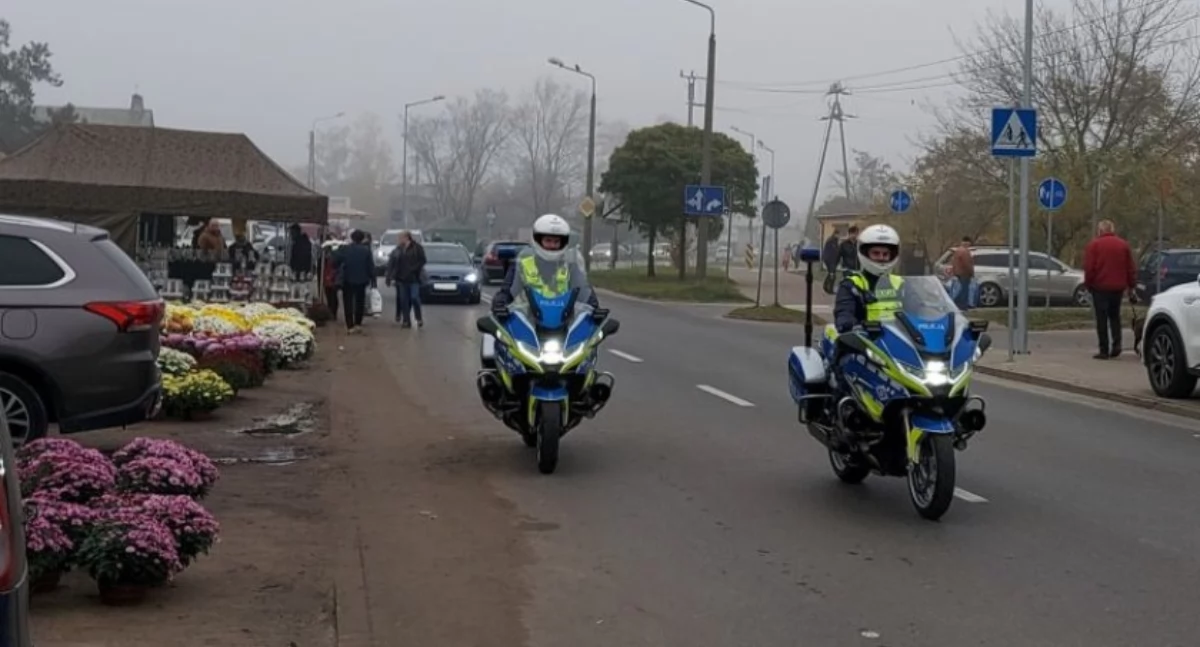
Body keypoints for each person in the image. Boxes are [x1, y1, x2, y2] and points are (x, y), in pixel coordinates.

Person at [830, 224, 904, 447]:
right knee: (846, 370)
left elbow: (924, 309)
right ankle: (842, 424)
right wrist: (850, 323)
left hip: (896, 346)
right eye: (876, 253)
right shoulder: (853, 284)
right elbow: (843, 314)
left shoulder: (901, 284)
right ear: (865, 254)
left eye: (885, 254)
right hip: (862, 343)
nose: (881, 258)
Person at [494, 213, 598, 310]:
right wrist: (500, 304)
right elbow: (507, 291)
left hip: (565, 321)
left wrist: (594, 308)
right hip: (527, 321)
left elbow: (584, 291)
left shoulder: (570, 265)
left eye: (556, 242)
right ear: (537, 240)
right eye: (548, 241)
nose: (552, 245)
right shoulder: (523, 263)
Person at [1083, 219, 1137, 359]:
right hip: (1118, 287)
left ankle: (1104, 350)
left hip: (1100, 287)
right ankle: (1117, 344)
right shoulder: (1123, 245)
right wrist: (1131, 286)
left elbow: (1089, 268)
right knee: (1114, 316)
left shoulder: (1094, 245)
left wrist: (1088, 284)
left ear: (1100, 231)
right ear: (1112, 230)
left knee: (1101, 318)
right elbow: (1130, 267)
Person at [335, 230, 375, 334]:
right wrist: (373, 280)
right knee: (360, 302)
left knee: (347, 302)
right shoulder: (366, 250)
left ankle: (350, 325)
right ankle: (358, 323)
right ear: (362, 239)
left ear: (352, 238)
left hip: (348, 279)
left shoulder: (345, 249)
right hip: (362, 280)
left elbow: (336, 260)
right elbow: (370, 266)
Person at [385, 231, 427, 328]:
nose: (399, 240)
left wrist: (414, 269)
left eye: (400, 238)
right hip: (401, 278)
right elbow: (391, 263)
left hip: (414, 278)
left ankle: (418, 317)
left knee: (414, 297)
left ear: (407, 238)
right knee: (404, 300)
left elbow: (423, 260)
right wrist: (389, 277)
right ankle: (406, 321)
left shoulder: (417, 248)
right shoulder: (397, 250)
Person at [949, 236, 975, 310]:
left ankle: (956, 303)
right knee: (964, 290)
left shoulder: (957, 251)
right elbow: (967, 264)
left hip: (958, 273)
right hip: (964, 273)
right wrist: (971, 272)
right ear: (967, 243)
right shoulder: (965, 252)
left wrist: (954, 271)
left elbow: (954, 262)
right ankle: (963, 305)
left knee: (960, 289)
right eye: (969, 243)